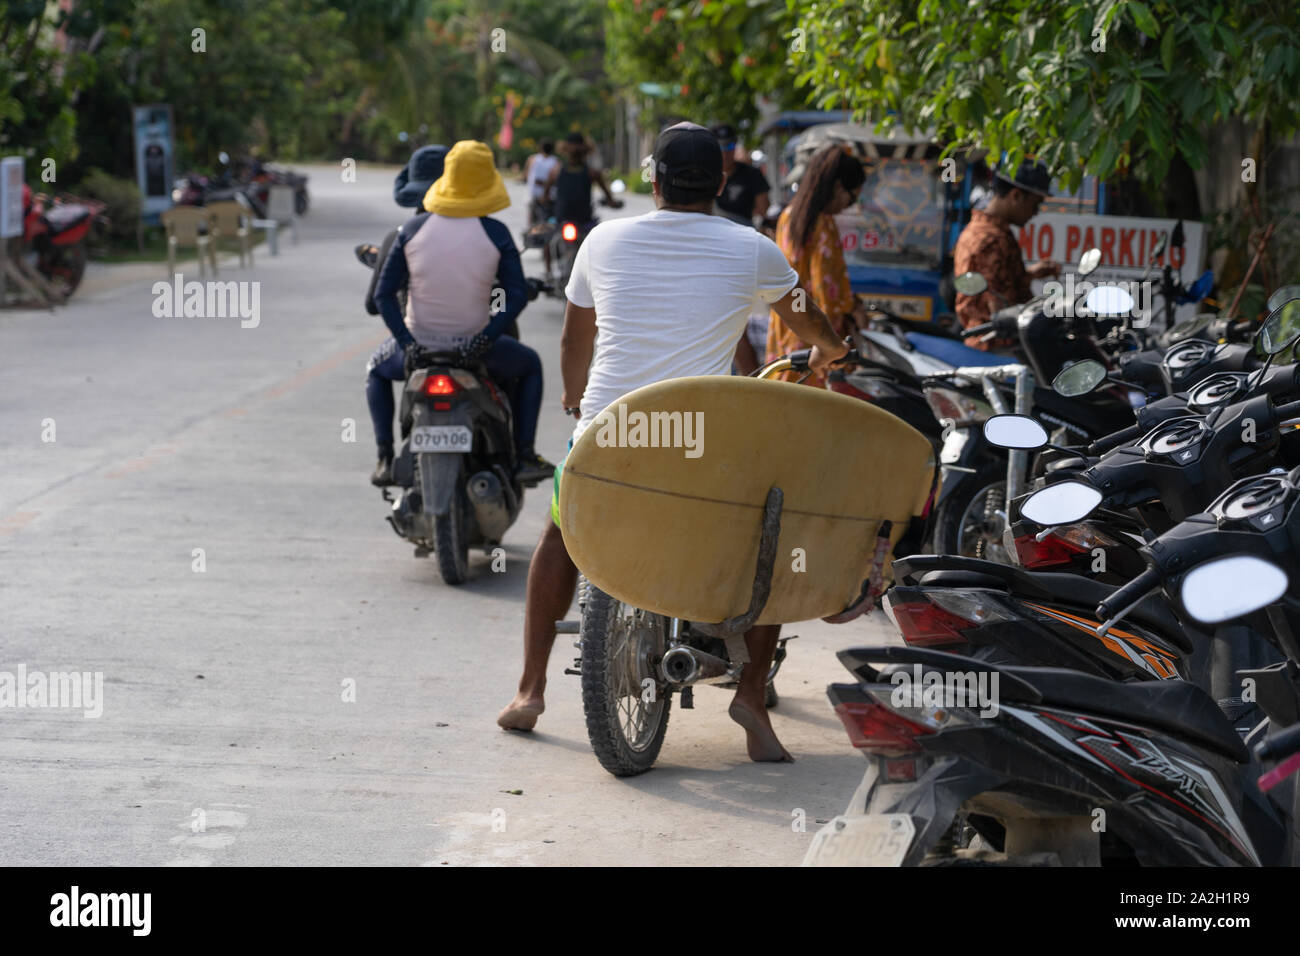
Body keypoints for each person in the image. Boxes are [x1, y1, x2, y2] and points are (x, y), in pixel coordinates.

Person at [497, 122, 848, 763]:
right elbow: (806, 315)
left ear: (653, 181)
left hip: (610, 435)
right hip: (702, 449)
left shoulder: (602, 240)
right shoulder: (752, 248)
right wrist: (829, 350)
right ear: (720, 182)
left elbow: (576, 342)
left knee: (558, 537)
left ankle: (529, 689)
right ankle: (748, 696)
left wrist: (578, 401)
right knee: (772, 537)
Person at [369, 140, 555, 486]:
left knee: (375, 370)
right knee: (530, 366)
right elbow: (514, 297)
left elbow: (381, 295)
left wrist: (407, 343)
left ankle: (384, 457)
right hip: (477, 351)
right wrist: (485, 338)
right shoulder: (496, 233)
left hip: (418, 352)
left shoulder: (410, 231)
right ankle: (524, 456)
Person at [765, 143, 870, 388]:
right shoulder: (823, 225)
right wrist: (853, 311)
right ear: (836, 186)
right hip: (813, 341)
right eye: (851, 197)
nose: (849, 206)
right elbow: (827, 293)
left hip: (787, 329)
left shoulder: (789, 216)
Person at [952, 159, 1060, 350]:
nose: (1035, 213)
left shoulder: (979, 229)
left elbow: (1000, 285)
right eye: (1035, 205)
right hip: (998, 346)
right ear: (1016, 195)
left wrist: (1031, 274)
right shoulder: (990, 240)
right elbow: (997, 305)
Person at [545, 132, 621, 234]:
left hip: (561, 220)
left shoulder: (555, 171)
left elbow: (545, 195)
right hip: (584, 221)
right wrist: (612, 202)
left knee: (547, 242)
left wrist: (546, 201)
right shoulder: (592, 173)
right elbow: (608, 196)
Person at [710, 124, 770, 227]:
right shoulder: (704, 175)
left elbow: (764, 211)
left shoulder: (752, 174)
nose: (725, 152)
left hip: (743, 231)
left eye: (729, 146)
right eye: (720, 146)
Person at [522, 138, 560, 275]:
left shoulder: (532, 159)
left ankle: (547, 263)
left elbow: (526, 176)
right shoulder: (556, 163)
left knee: (537, 226)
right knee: (551, 226)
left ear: (540, 148)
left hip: (537, 199)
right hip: (552, 200)